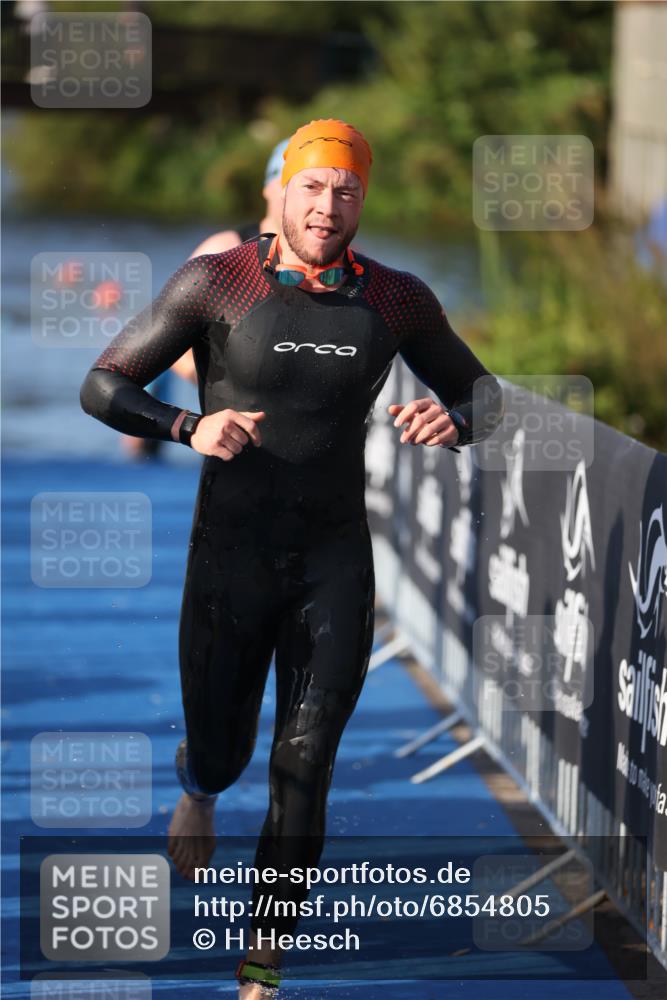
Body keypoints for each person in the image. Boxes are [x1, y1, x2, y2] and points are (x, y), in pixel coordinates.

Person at [80, 118, 504, 998]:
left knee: (304, 763)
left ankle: (261, 967)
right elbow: (103, 385)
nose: (327, 204)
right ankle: (196, 784)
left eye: (345, 189)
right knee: (227, 751)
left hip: (333, 562)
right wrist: (188, 425)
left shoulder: (396, 300)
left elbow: (483, 395)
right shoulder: (217, 282)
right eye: (312, 187)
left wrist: (455, 420)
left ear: (362, 200)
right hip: (228, 560)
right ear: (281, 195)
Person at [121, 138, 289, 457]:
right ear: (267, 188)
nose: (298, 197)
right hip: (234, 419)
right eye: (288, 184)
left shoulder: (346, 260)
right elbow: (169, 344)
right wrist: (232, 390)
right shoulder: (223, 249)